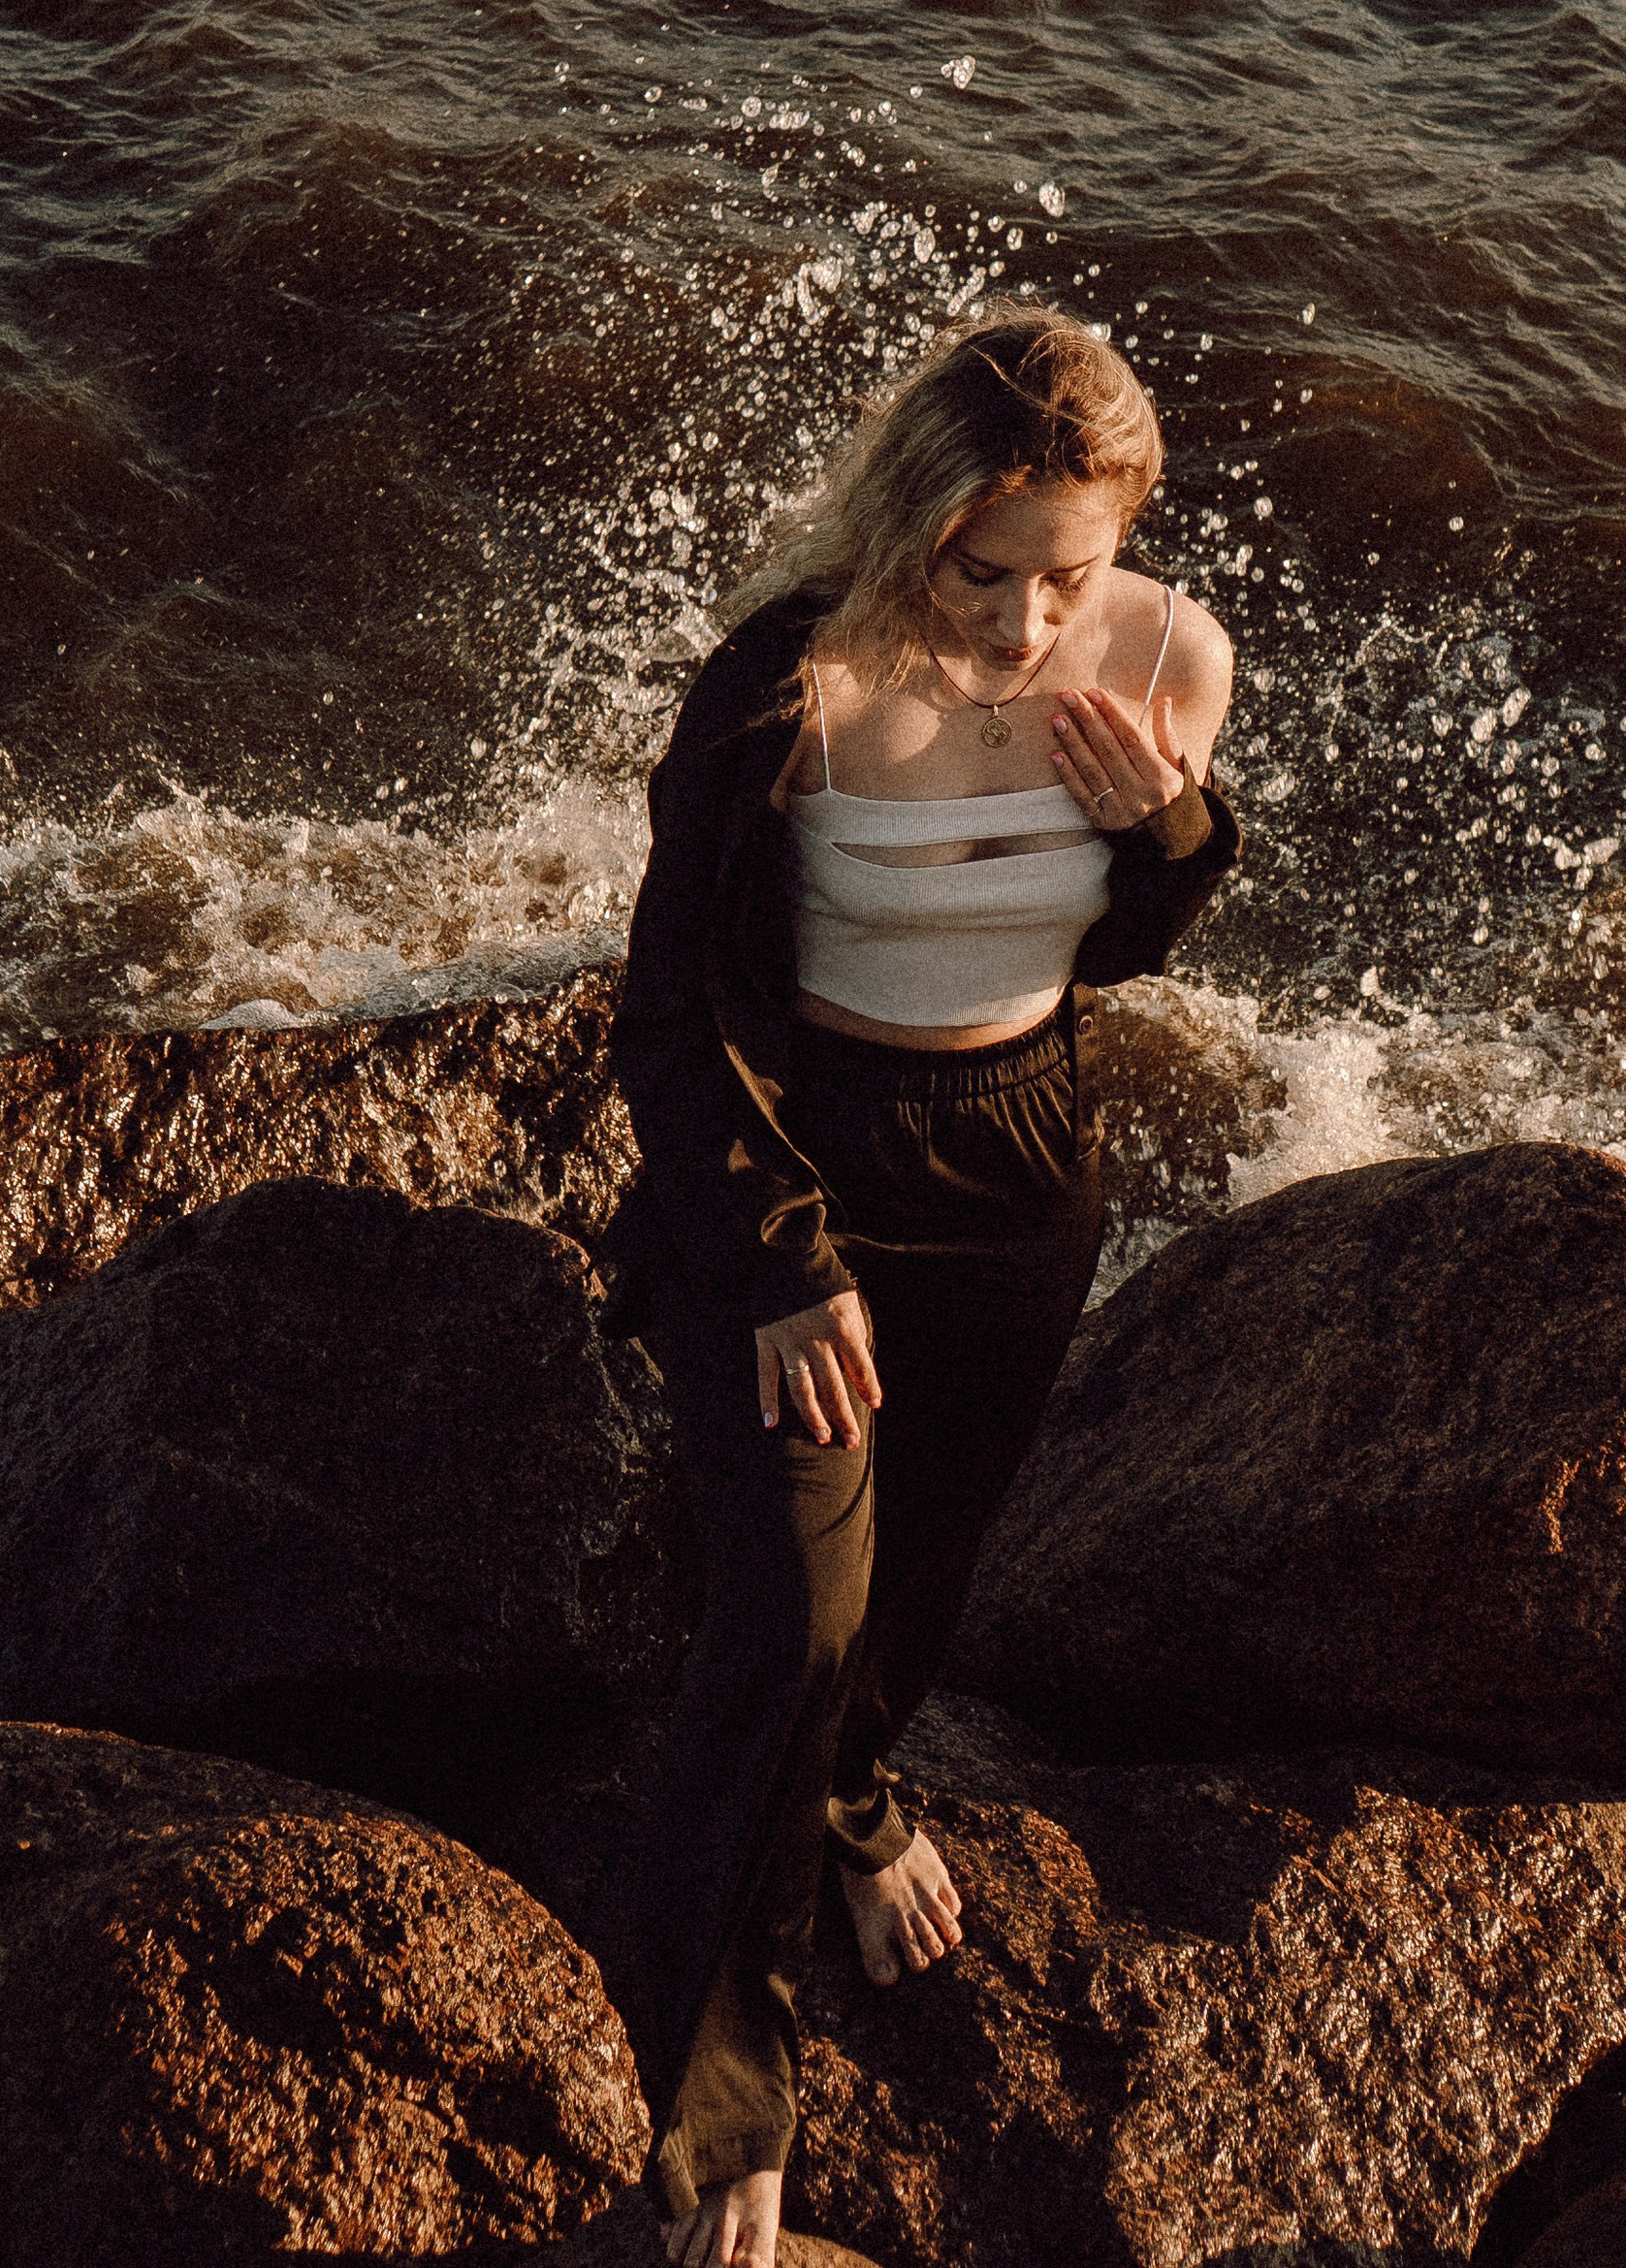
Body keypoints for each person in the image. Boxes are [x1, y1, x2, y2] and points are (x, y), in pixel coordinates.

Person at [606, 307, 1239, 2268]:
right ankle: (722, 2098)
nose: (1040, 621)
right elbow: (671, 1010)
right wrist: (783, 1265)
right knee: (793, 1620)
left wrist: (1172, 834)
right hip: (804, 1175)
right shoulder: (782, 686)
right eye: (995, 569)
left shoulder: (1167, 654)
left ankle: (857, 1798)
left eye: (1079, 565)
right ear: (915, 521)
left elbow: (1118, 945)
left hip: (1022, 1171)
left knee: (918, 1601)